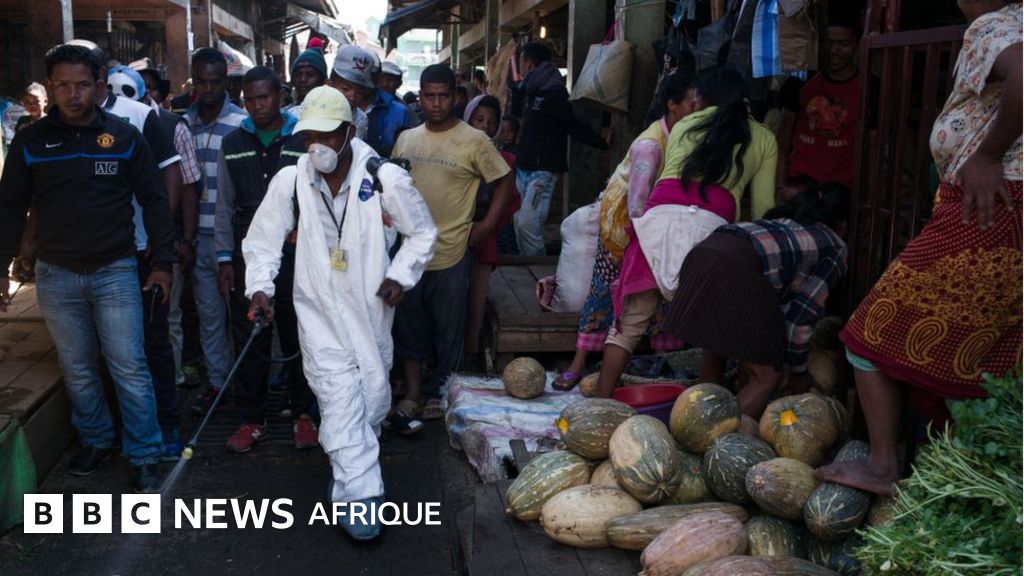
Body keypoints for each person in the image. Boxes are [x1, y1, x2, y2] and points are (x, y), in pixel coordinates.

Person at [818, 0, 1022, 497]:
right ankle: (970, 482)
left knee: (867, 336)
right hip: (1001, 214)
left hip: (987, 213)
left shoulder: (995, 25)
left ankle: (884, 464)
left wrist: (987, 155)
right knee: (988, 363)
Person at [243, 86, 436, 540]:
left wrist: (400, 275)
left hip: (370, 310)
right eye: (310, 136)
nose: (318, 146)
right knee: (337, 395)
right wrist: (259, 288)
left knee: (371, 399)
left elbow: (423, 234)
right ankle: (363, 495)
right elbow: (263, 239)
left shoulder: (385, 178)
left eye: (328, 136)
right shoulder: (291, 180)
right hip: (317, 310)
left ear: (350, 132)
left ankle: (348, 469)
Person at [0, 43, 176, 493]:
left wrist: (164, 262)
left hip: (114, 270)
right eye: (63, 85)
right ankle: (96, 439)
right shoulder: (31, 141)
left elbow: (155, 200)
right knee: (77, 367)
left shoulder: (123, 137)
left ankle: (144, 453)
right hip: (56, 274)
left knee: (129, 366)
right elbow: (10, 207)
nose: (73, 94)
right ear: (51, 87)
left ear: (98, 85)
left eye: (81, 85)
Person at [591, 68, 777, 398]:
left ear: (703, 98)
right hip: (713, 232)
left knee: (628, 328)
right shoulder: (764, 137)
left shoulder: (685, 124)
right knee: (712, 332)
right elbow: (764, 209)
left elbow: (668, 177)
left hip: (657, 220)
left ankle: (599, 404)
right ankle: (705, 410)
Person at [543, 72, 698, 391]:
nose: (699, 111)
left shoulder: (684, 139)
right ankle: (578, 363)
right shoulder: (650, 146)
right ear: (673, 105)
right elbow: (636, 203)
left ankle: (661, 366)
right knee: (604, 290)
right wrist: (645, 245)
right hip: (624, 226)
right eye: (693, 104)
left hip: (654, 227)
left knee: (664, 295)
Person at [390, 64, 515, 431]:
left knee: (449, 331)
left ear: (455, 97)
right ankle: (414, 393)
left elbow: (505, 180)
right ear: (421, 96)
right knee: (410, 327)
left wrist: (486, 226)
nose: (436, 103)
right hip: (409, 254)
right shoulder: (407, 140)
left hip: (452, 252)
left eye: (443, 96)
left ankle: (443, 394)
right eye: (429, 96)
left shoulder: (474, 140)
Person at [660, 183, 849, 417]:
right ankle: (714, 434)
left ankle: (696, 420)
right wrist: (799, 371)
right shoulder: (836, 245)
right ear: (843, 224)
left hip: (701, 256)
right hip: (733, 269)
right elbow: (802, 315)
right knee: (767, 377)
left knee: (715, 346)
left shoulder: (788, 223)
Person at [214, 66, 314, 453]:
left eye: (264, 97)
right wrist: (224, 258)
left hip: (296, 254)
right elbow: (224, 205)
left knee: (298, 334)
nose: (257, 105)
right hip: (247, 254)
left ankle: (304, 415)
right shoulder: (232, 142)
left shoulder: (302, 138)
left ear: (281, 96)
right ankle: (252, 420)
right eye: (250, 99)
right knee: (249, 339)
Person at [131, 58, 205, 392]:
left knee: (168, 315)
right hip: (124, 243)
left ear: (159, 94)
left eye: (149, 88)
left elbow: (188, 186)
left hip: (164, 241)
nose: (144, 94)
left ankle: (170, 385)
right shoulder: (108, 126)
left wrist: (185, 239)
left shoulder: (173, 126)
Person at [184, 47, 248, 415]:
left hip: (234, 238)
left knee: (243, 316)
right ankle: (218, 384)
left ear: (226, 83)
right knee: (209, 316)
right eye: (201, 82)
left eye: (215, 82)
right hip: (198, 238)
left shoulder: (242, 124)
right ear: (193, 81)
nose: (208, 89)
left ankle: (249, 387)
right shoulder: (182, 124)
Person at [514, 42, 609, 256]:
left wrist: (601, 142)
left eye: (520, 62)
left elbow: (572, 125)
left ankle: (537, 267)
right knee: (519, 221)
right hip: (523, 168)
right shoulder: (530, 90)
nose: (520, 68)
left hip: (542, 171)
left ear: (528, 63)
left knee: (527, 225)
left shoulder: (554, 93)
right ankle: (526, 262)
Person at [463, 95, 522, 367]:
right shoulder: (454, 152)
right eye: (479, 119)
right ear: (468, 119)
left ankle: (470, 357)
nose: (485, 127)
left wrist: (488, 226)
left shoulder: (504, 159)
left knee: (476, 301)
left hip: (484, 236)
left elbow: (512, 201)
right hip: (451, 232)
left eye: (491, 122)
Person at [776, 18, 862, 189]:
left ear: (857, 45)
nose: (834, 50)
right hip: (799, 185)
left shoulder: (868, 86)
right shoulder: (799, 81)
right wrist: (780, 188)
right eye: (828, 43)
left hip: (841, 190)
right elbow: (783, 141)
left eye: (844, 44)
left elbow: (873, 146)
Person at [285, 48, 327, 116]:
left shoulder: (333, 112)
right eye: (297, 75)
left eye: (311, 75)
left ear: (322, 80)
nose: (303, 79)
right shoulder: (284, 115)